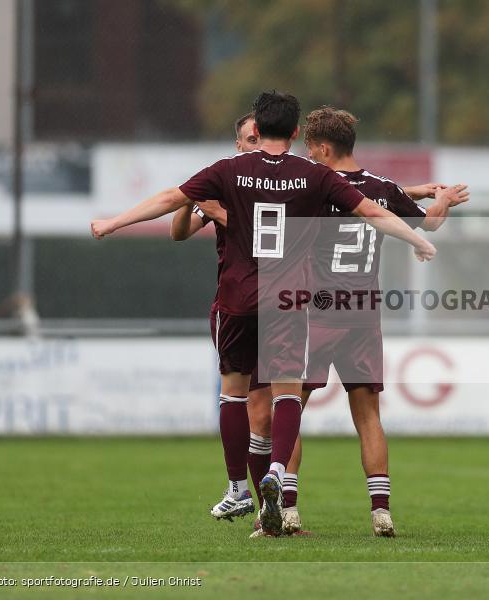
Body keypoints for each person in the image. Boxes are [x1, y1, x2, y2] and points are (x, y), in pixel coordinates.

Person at [91, 89, 436, 538]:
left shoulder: (228, 172)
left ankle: (239, 486)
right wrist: (419, 239)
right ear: (294, 132)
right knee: (286, 396)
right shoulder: (312, 174)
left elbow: (168, 198)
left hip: (236, 297)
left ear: (257, 131)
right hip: (287, 301)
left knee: (235, 395)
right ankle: (276, 471)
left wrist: (113, 222)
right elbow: (369, 205)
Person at [300, 106, 467, 536]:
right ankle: (381, 512)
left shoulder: (312, 186)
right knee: (369, 415)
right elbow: (425, 223)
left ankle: (286, 507)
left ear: (322, 148)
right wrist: (442, 199)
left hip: (314, 311)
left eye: (311, 149)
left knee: (288, 408)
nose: (309, 157)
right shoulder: (382, 188)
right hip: (361, 315)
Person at [168, 111, 282, 524]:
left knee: (266, 409)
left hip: (278, 301)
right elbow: (178, 233)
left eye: (261, 138)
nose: (257, 145)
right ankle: (253, 497)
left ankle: (267, 496)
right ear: (239, 145)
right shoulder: (229, 183)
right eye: (251, 140)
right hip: (238, 303)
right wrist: (188, 199)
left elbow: (265, 235)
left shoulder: (282, 185)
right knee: (253, 404)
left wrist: (217, 212)